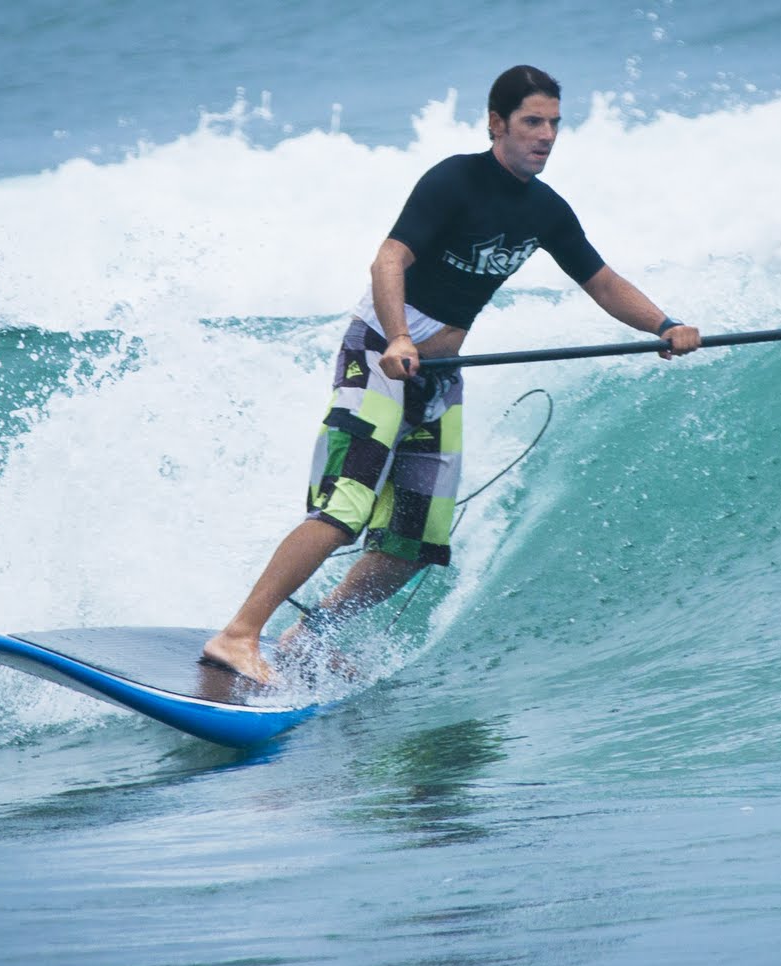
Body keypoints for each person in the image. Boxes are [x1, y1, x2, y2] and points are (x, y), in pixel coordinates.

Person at [202, 65, 702, 685]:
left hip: (439, 371)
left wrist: (664, 324)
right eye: (531, 122)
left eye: (554, 125)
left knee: (413, 542)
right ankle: (239, 634)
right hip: (381, 351)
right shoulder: (454, 181)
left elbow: (600, 280)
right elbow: (390, 258)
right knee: (345, 506)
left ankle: (308, 639)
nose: (544, 136)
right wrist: (400, 337)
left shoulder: (546, 211)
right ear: (497, 123)